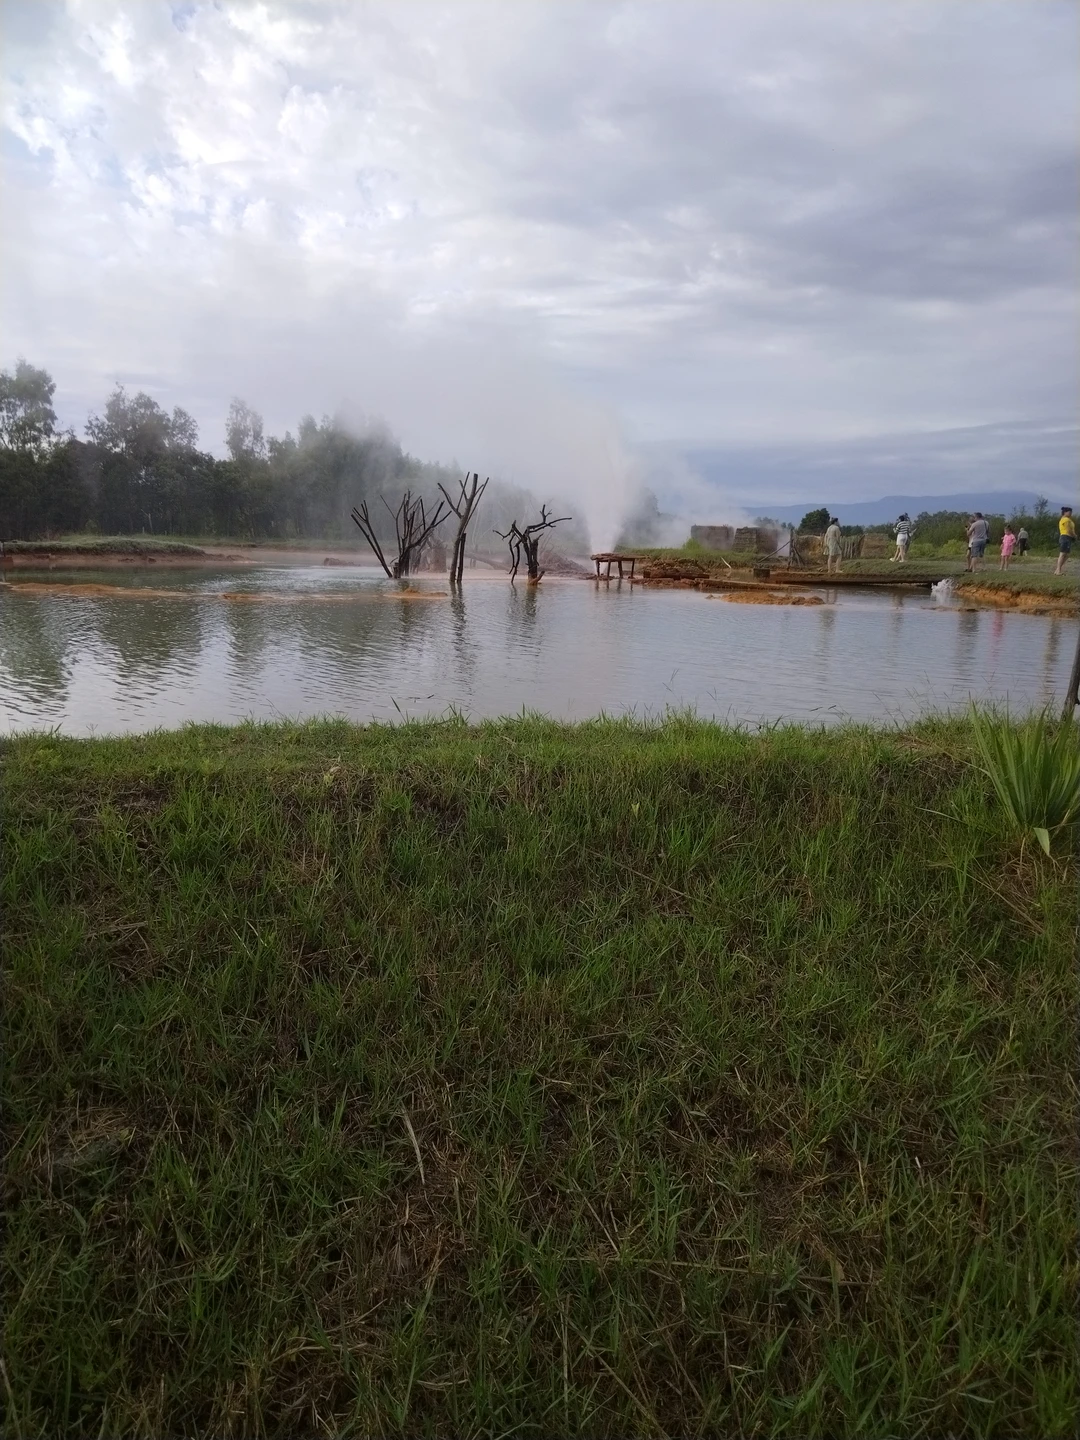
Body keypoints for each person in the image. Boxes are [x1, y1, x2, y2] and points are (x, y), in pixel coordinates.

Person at [1055, 505, 1076, 575]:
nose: (1070, 513)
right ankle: (1058, 570)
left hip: (1068, 537)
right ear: (1065, 512)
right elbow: (1068, 529)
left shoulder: (1068, 519)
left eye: (1071, 512)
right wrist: (1074, 535)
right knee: (1063, 553)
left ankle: (1058, 569)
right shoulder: (1065, 519)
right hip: (1065, 536)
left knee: (1066, 554)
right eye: (1069, 512)